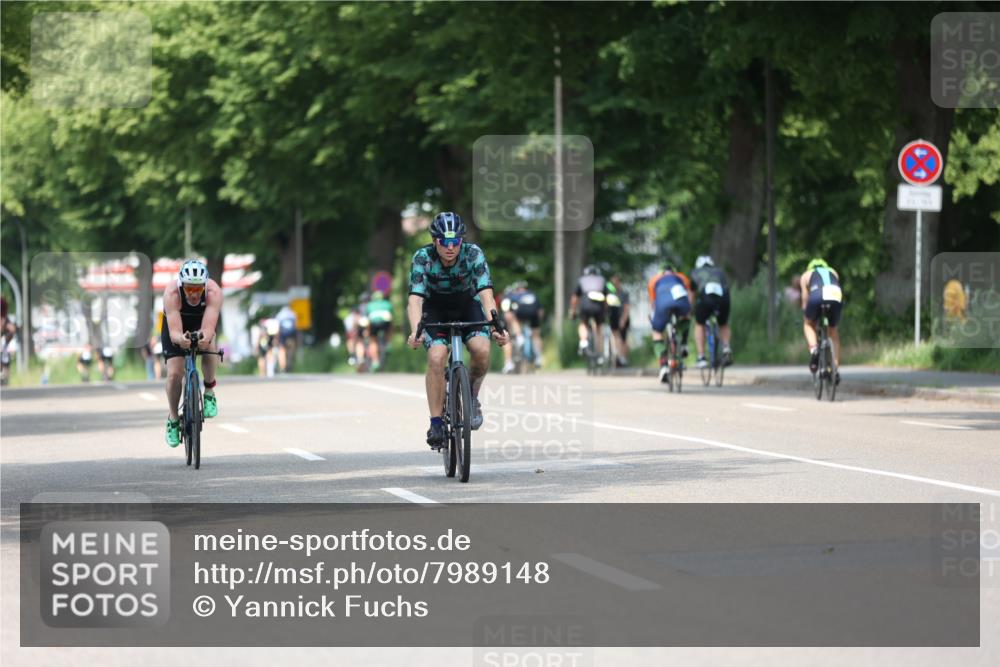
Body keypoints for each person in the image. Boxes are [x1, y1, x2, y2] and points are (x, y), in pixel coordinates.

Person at [405, 212, 508, 448]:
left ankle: (471, 395)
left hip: (466, 305)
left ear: (461, 241)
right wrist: (416, 331)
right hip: (435, 309)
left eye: (455, 242)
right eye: (444, 242)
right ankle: (436, 423)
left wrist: (496, 326)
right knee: (437, 355)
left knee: (482, 350)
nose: (450, 247)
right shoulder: (422, 257)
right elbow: (415, 300)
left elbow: (486, 294)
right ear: (435, 241)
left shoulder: (473, 254)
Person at [161, 259, 223, 447]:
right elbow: (174, 332)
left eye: (198, 289)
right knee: (174, 374)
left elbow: (209, 327)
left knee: (208, 345)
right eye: (189, 289)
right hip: (176, 326)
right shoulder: (172, 293)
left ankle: (210, 390)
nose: (194, 294)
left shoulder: (214, 292)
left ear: (204, 286)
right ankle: (173, 418)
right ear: (181, 286)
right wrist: (181, 339)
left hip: (201, 322)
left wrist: (204, 337)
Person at [647, 263, 694, 383]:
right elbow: (689, 296)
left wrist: (653, 319)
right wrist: (688, 310)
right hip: (680, 303)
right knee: (685, 317)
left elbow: (653, 304)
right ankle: (683, 343)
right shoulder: (681, 277)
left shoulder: (654, 280)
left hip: (663, 305)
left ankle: (663, 366)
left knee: (657, 332)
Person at [800, 258, 843, 382]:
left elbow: (804, 301)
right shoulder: (833, 271)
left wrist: (806, 315)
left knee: (808, 324)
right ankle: (834, 370)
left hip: (817, 295)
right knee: (833, 331)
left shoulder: (805, 276)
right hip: (835, 295)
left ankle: (814, 350)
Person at [689, 255, 733, 369]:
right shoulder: (719, 272)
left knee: (699, 324)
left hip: (706, 297)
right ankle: (726, 347)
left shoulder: (695, 272)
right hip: (723, 298)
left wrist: (690, 309)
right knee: (723, 323)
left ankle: (701, 357)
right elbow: (726, 286)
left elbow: (692, 294)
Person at [501, 281, 544, 373]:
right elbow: (540, 311)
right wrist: (538, 322)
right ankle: (538, 358)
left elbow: (507, 308)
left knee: (514, 319)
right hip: (533, 314)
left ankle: (519, 336)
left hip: (521, 312)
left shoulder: (514, 294)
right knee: (536, 335)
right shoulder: (532, 294)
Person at [569, 265, 608, 362]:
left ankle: (583, 342)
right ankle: (599, 354)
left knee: (583, 324)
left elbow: (574, 299)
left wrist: (573, 311)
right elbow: (607, 298)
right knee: (598, 329)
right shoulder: (602, 280)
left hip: (585, 305)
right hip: (599, 307)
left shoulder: (582, 280)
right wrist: (605, 311)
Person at [363, 289, 393, 371]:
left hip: (374, 323)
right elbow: (391, 316)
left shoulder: (369, 305)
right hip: (385, 322)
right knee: (390, 326)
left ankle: (375, 361)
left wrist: (367, 331)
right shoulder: (387, 304)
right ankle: (388, 344)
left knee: (372, 340)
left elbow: (367, 319)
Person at [607, 275, 631, 367]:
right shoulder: (610, 294)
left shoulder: (623, 294)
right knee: (617, 337)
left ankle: (623, 357)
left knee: (624, 339)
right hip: (613, 318)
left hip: (622, 318)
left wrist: (623, 319)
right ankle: (619, 357)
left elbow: (627, 308)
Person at [275, 304, 298, 372]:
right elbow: (296, 327)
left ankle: (283, 366)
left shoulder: (279, 315)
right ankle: (289, 362)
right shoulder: (293, 314)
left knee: (282, 350)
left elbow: (278, 328)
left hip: (283, 334)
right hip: (291, 334)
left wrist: (276, 338)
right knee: (291, 349)